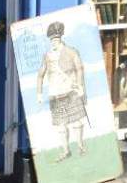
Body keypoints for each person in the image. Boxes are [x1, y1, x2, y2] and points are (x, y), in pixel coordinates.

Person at [36, 21, 88, 162]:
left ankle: (81, 146)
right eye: (52, 39)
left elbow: (79, 69)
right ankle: (65, 151)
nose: (54, 42)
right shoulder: (47, 55)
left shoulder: (71, 51)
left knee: (76, 122)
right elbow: (40, 74)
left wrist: (80, 86)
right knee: (60, 126)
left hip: (70, 92)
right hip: (55, 94)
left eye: (56, 39)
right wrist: (39, 93)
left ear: (60, 38)